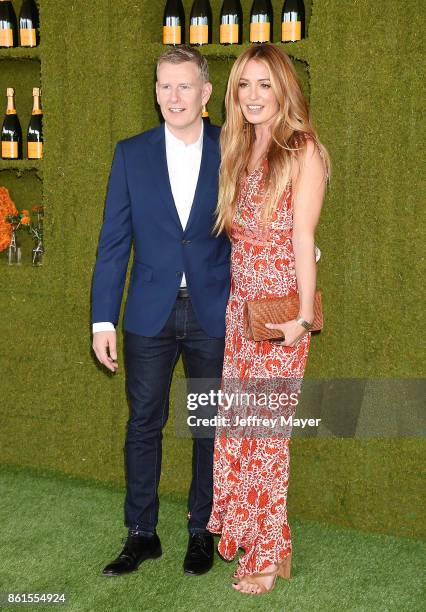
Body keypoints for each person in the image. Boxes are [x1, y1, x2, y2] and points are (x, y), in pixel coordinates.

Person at [91, 46, 231, 577]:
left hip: (213, 310)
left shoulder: (233, 147)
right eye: (164, 86)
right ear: (155, 91)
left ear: (206, 93)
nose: (173, 96)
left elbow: (265, 213)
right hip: (148, 313)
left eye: (184, 86)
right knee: (144, 423)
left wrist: (301, 247)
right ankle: (142, 533)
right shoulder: (130, 153)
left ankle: (202, 530)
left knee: (206, 425)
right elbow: (113, 242)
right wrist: (103, 319)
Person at [206, 44, 331, 595]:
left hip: (280, 317)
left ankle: (264, 558)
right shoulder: (240, 148)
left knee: (265, 437)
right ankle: (268, 545)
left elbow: (304, 239)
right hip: (243, 315)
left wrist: (302, 320)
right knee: (240, 433)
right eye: (243, 85)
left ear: (284, 90)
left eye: (264, 85)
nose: (253, 96)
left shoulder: (301, 148)